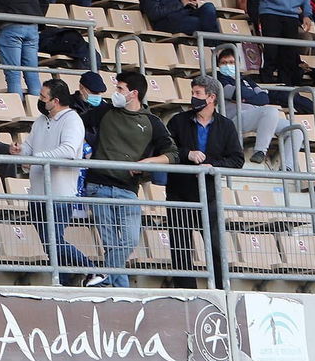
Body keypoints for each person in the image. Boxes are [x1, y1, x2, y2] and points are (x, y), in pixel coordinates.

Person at [83, 71, 175, 287]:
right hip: (98, 185)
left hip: (128, 188)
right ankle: (120, 290)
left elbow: (172, 153)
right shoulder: (106, 111)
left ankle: (104, 278)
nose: (115, 93)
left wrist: (148, 163)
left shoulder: (152, 121)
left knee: (129, 240)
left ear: (133, 94)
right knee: (112, 244)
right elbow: (79, 123)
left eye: (120, 89)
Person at [13, 78, 97, 286]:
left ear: (55, 100)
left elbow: (69, 151)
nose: (40, 101)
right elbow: (29, 148)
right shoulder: (41, 121)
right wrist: (19, 151)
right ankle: (63, 282)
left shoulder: (72, 120)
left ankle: (92, 270)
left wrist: (38, 158)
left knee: (53, 240)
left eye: (43, 97)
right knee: (49, 243)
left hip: (60, 194)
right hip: (38, 193)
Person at [165, 74, 242, 285]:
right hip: (179, 193)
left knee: (216, 247)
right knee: (180, 247)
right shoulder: (178, 121)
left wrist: (212, 164)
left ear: (211, 98)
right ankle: (185, 293)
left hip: (208, 195)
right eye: (192, 93)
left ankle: (219, 290)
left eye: (198, 93)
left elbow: (237, 159)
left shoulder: (226, 126)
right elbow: (166, 149)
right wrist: (186, 154)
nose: (193, 97)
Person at [213, 48, 289, 168]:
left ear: (238, 63)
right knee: (271, 111)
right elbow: (234, 93)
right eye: (224, 63)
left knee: (295, 129)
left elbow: (264, 99)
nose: (228, 65)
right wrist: (250, 95)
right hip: (235, 119)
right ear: (218, 65)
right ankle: (260, 151)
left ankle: (288, 168)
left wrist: (244, 97)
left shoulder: (247, 80)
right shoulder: (218, 80)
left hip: (256, 116)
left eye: (231, 62)